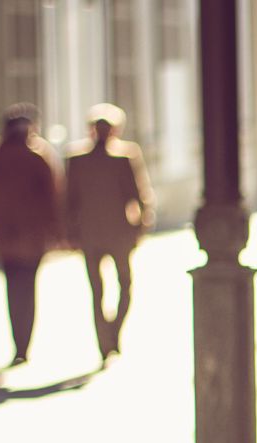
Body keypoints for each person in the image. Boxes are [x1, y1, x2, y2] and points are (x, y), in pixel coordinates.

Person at [0, 103, 63, 366]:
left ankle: (19, 342)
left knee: (14, 288)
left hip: (6, 237)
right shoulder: (38, 156)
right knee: (27, 287)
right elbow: (54, 198)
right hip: (32, 238)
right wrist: (56, 231)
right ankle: (23, 343)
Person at [65, 103, 153, 362]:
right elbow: (138, 195)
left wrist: (140, 227)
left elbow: (137, 195)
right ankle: (109, 336)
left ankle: (108, 336)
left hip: (102, 234)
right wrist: (140, 228)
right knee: (114, 287)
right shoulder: (81, 159)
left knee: (107, 288)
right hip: (110, 234)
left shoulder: (121, 157)